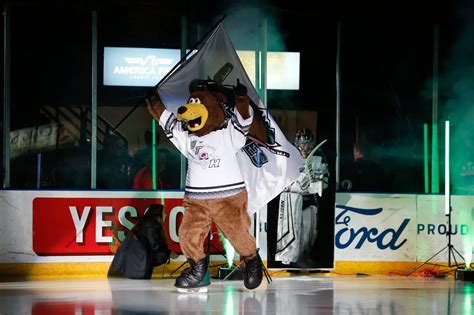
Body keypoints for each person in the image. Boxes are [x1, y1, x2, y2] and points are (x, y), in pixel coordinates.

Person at [275, 128, 329, 265]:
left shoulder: (319, 157)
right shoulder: (289, 157)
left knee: (309, 232)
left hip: (309, 200)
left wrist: (316, 183)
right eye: (301, 143)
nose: (303, 146)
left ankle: (303, 257)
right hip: (291, 201)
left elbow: (326, 182)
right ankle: (288, 256)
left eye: (306, 143)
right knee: (290, 229)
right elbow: (281, 181)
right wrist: (296, 183)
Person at [109, 204, 173, 279]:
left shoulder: (143, 223)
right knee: (163, 254)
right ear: (158, 213)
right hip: (138, 269)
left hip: (124, 267)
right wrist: (169, 253)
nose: (166, 214)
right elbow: (155, 245)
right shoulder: (152, 224)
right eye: (164, 212)